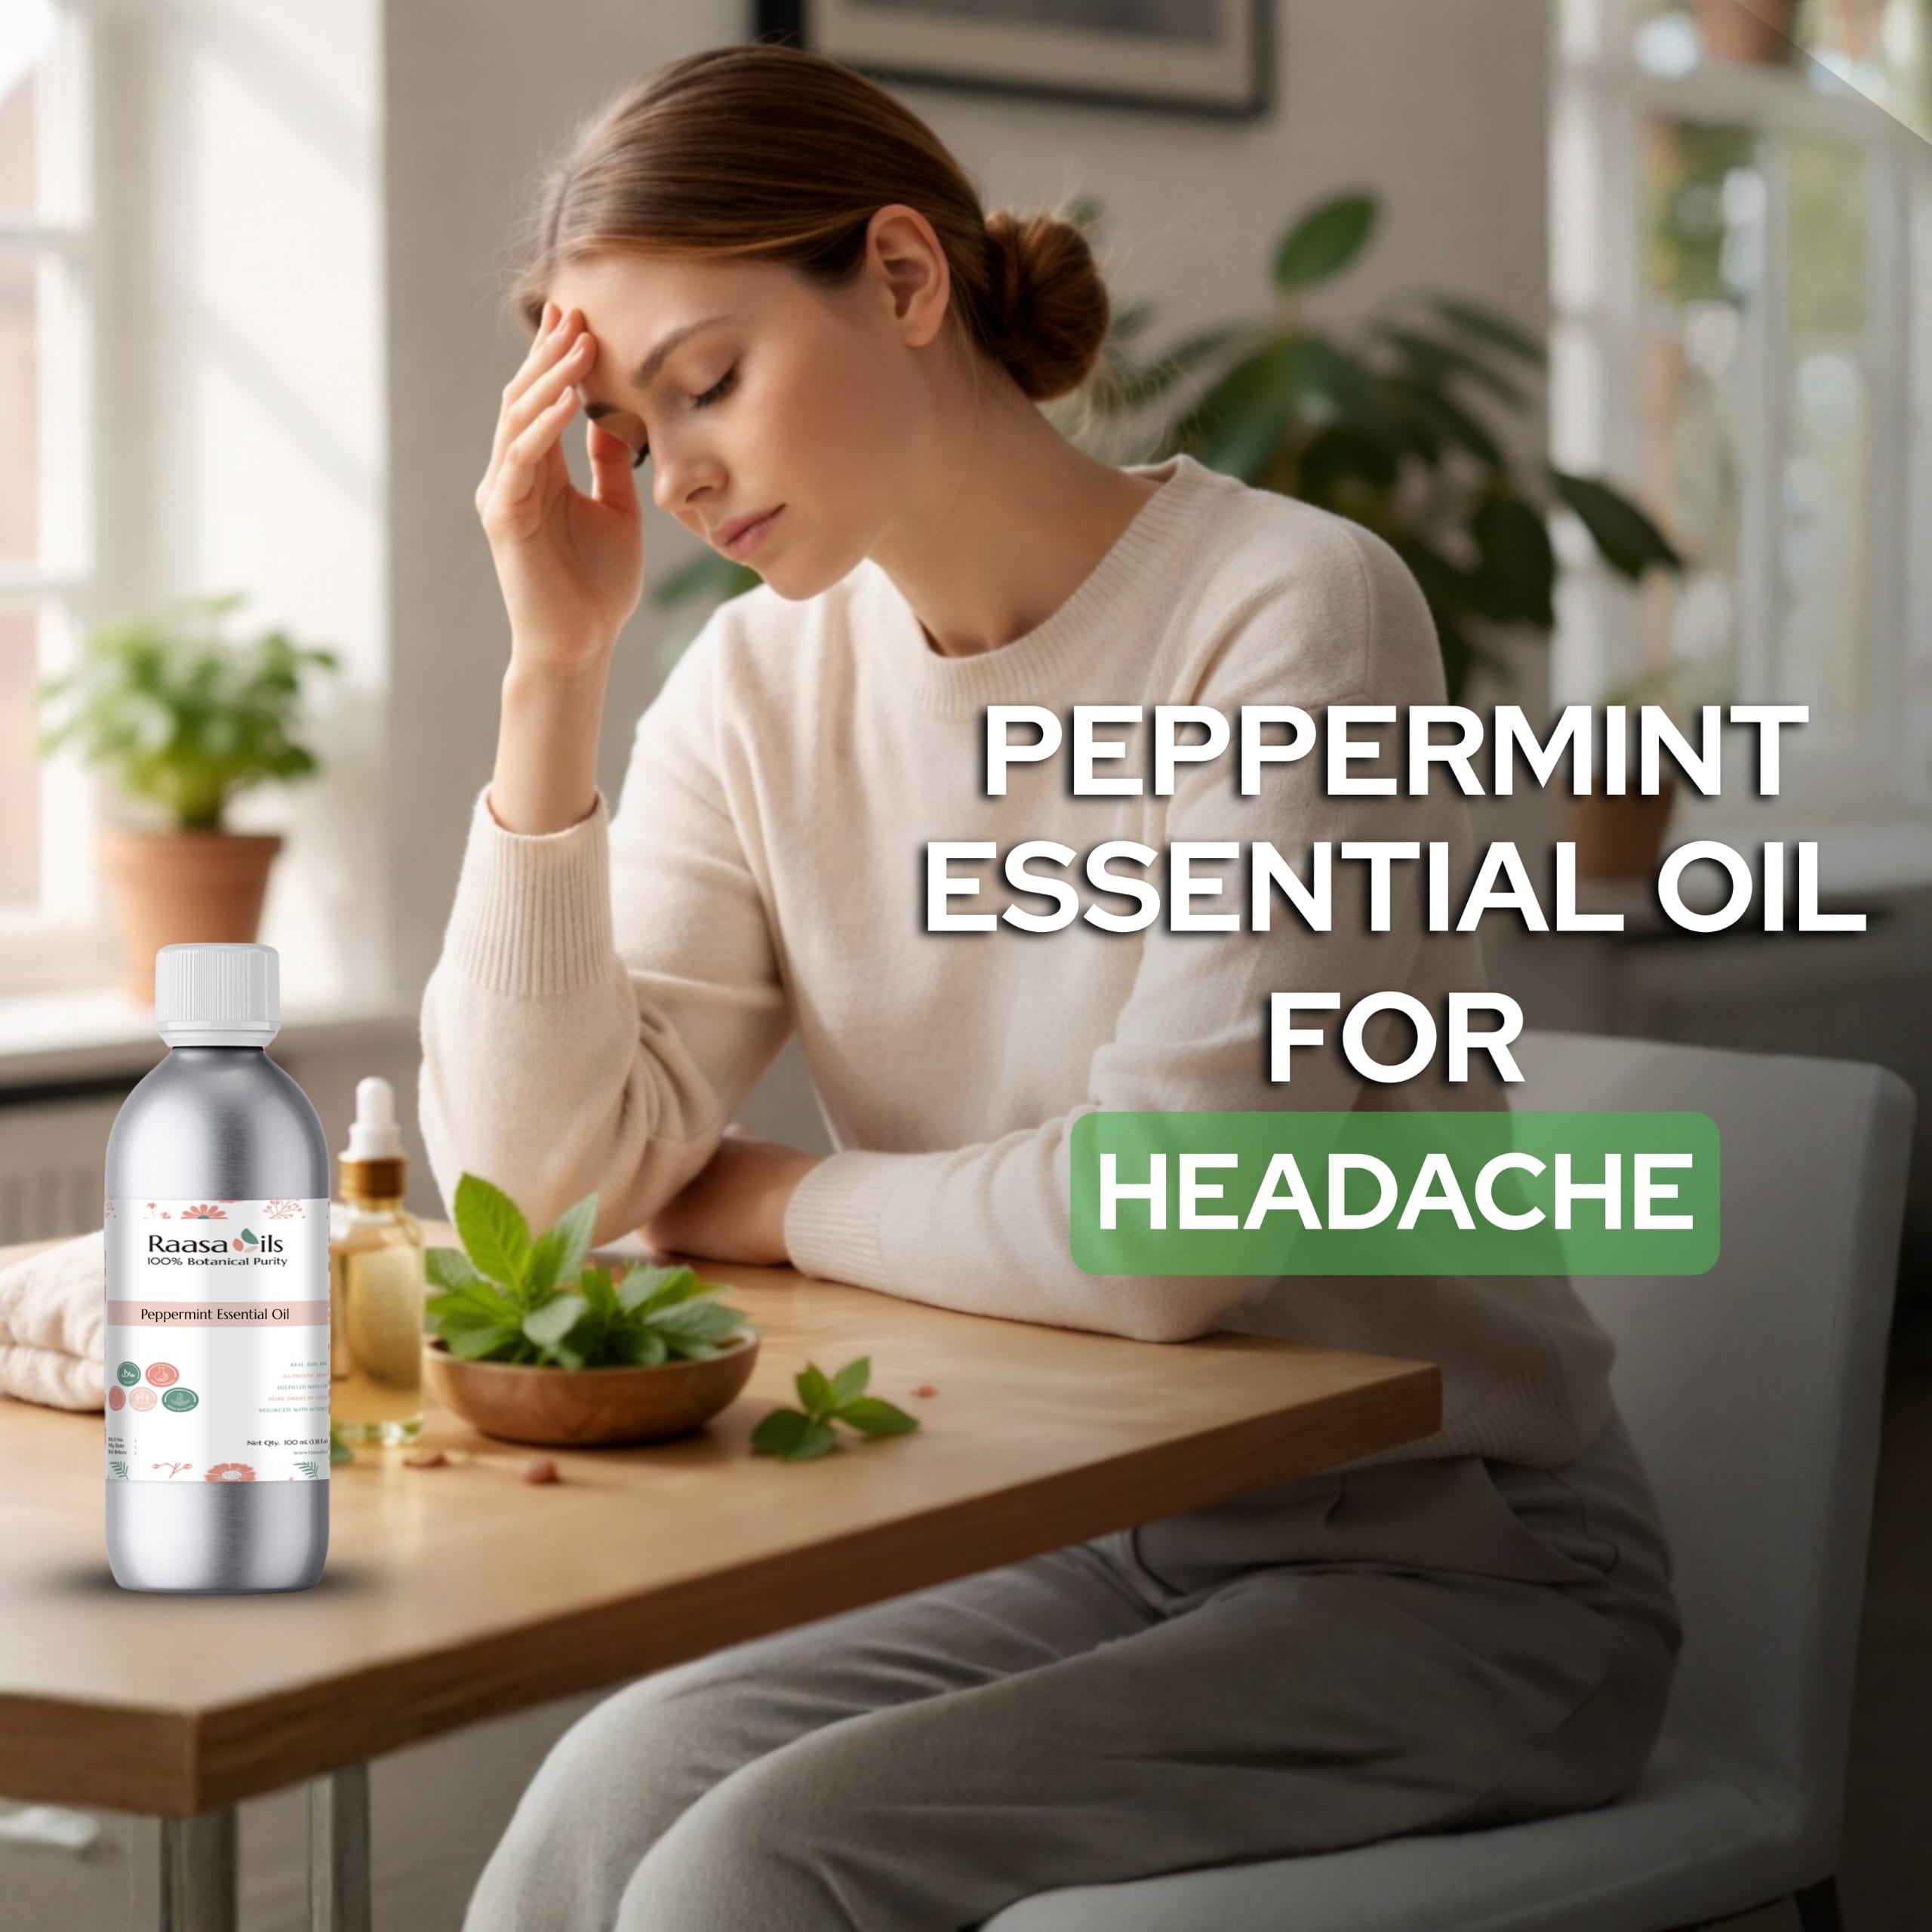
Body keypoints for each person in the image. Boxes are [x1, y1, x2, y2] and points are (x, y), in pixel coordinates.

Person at [420, 42, 1681, 1932]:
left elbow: (1168, 1230)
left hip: (1459, 1568)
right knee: (600, 1803)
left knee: (759, 1870)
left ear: (907, 282)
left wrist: (774, 1196)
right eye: (629, 426)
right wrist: (551, 670)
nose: (674, 474)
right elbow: (534, 1206)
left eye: (706, 383)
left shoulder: (1290, 608)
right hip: (1084, 1543)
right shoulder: (753, 692)